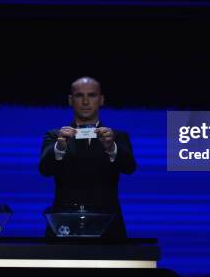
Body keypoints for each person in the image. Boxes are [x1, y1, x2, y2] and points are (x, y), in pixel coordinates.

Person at [39, 77, 137, 239]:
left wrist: (111, 148)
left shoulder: (117, 136)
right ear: (70, 100)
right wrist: (60, 148)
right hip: (64, 225)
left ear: (101, 100)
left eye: (91, 95)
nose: (85, 101)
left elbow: (129, 167)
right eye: (79, 96)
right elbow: (44, 170)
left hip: (108, 226)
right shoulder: (55, 136)